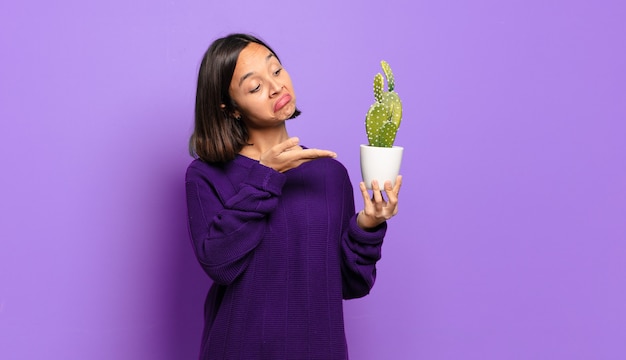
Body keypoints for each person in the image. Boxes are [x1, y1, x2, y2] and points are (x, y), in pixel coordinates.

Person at [185, 33, 402, 360]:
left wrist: (367, 225)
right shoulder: (206, 174)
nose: (275, 87)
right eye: (255, 87)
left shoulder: (329, 174)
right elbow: (219, 263)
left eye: (276, 70)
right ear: (229, 108)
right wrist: (266, 176)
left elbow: (349, 284)